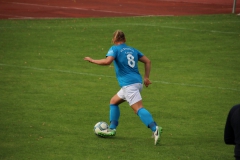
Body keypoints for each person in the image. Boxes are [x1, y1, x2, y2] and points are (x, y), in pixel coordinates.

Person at [84, 30, 162, 145]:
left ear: (114, 40)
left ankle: (155, 129)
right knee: (113, 102)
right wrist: (146, 77)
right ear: (124, 39)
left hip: (129, 85)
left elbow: (107, 61)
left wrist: (92, 60)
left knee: (138, 109)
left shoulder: (114, 49)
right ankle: (112, 128)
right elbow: (148, 61)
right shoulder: (133, 50)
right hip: (137, 83)